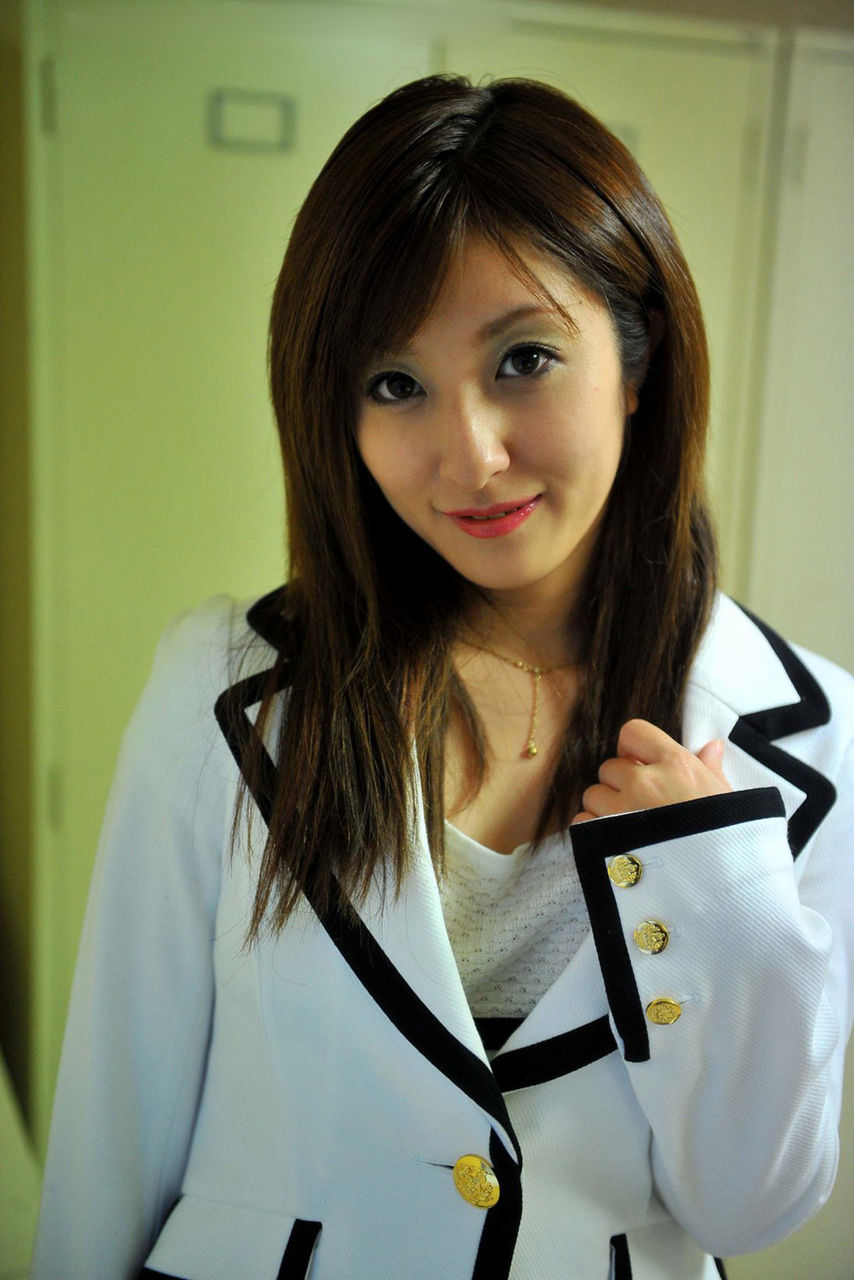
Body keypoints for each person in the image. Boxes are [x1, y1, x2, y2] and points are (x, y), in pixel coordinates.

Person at [32, 74, 854, 1280]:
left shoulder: (813, 729)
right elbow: (112, 1135)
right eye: (395, 384)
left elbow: (745, 1204)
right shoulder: (221, 682)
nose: (468, 455)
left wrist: (715, 887)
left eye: (523, 358)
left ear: (636, 360)